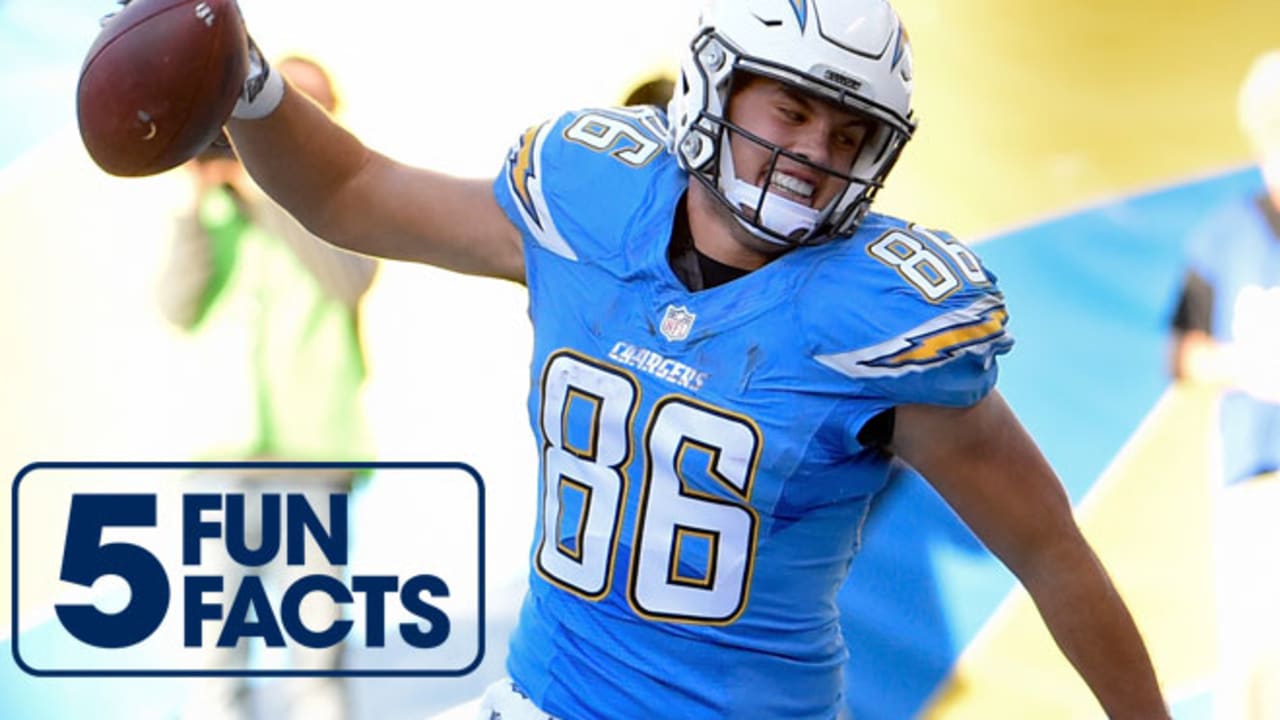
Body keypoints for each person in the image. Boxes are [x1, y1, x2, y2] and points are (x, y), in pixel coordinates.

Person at [192, 0, 1168, 716]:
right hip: (541, 697)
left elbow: (1048, 551)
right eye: (790, 111)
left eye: (847, 131)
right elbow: (351, 191)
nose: (814, 151)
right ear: (714, 86)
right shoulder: (586, 202)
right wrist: (248, 85)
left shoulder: (879, 319)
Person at [157, 55, 376, 720]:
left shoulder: (344, 212)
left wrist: (266, 190)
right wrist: (200, 200)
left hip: (313, 454)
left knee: (316, 646)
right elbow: (177, 304)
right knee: (217, 650)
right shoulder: (216, 215)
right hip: (224, 460)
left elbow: (352, 279)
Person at [1169, 50, 1280, 720]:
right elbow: (1183, 351)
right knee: (1257, 660)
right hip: (1258, 474)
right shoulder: (1224, 233)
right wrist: (1253, 362)